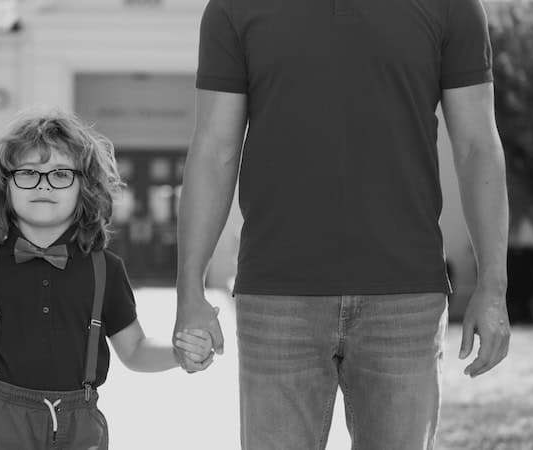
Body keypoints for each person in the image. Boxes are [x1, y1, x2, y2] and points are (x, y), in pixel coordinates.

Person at [173, 0, 512, 448]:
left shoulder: (453, 6)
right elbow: (214, 149)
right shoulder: (234, 7)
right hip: (277, 299)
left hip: (405, 298)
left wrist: (493, 283)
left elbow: (477, 147)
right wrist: (189, 289)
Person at [0, 108, 213, 450]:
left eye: (60, 174)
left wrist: (178, 353)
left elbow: (136, 351)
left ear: (85, 187)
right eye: (28, 173)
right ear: (6, 185)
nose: (43, 185)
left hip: (80, 429)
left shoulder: (106, 269)